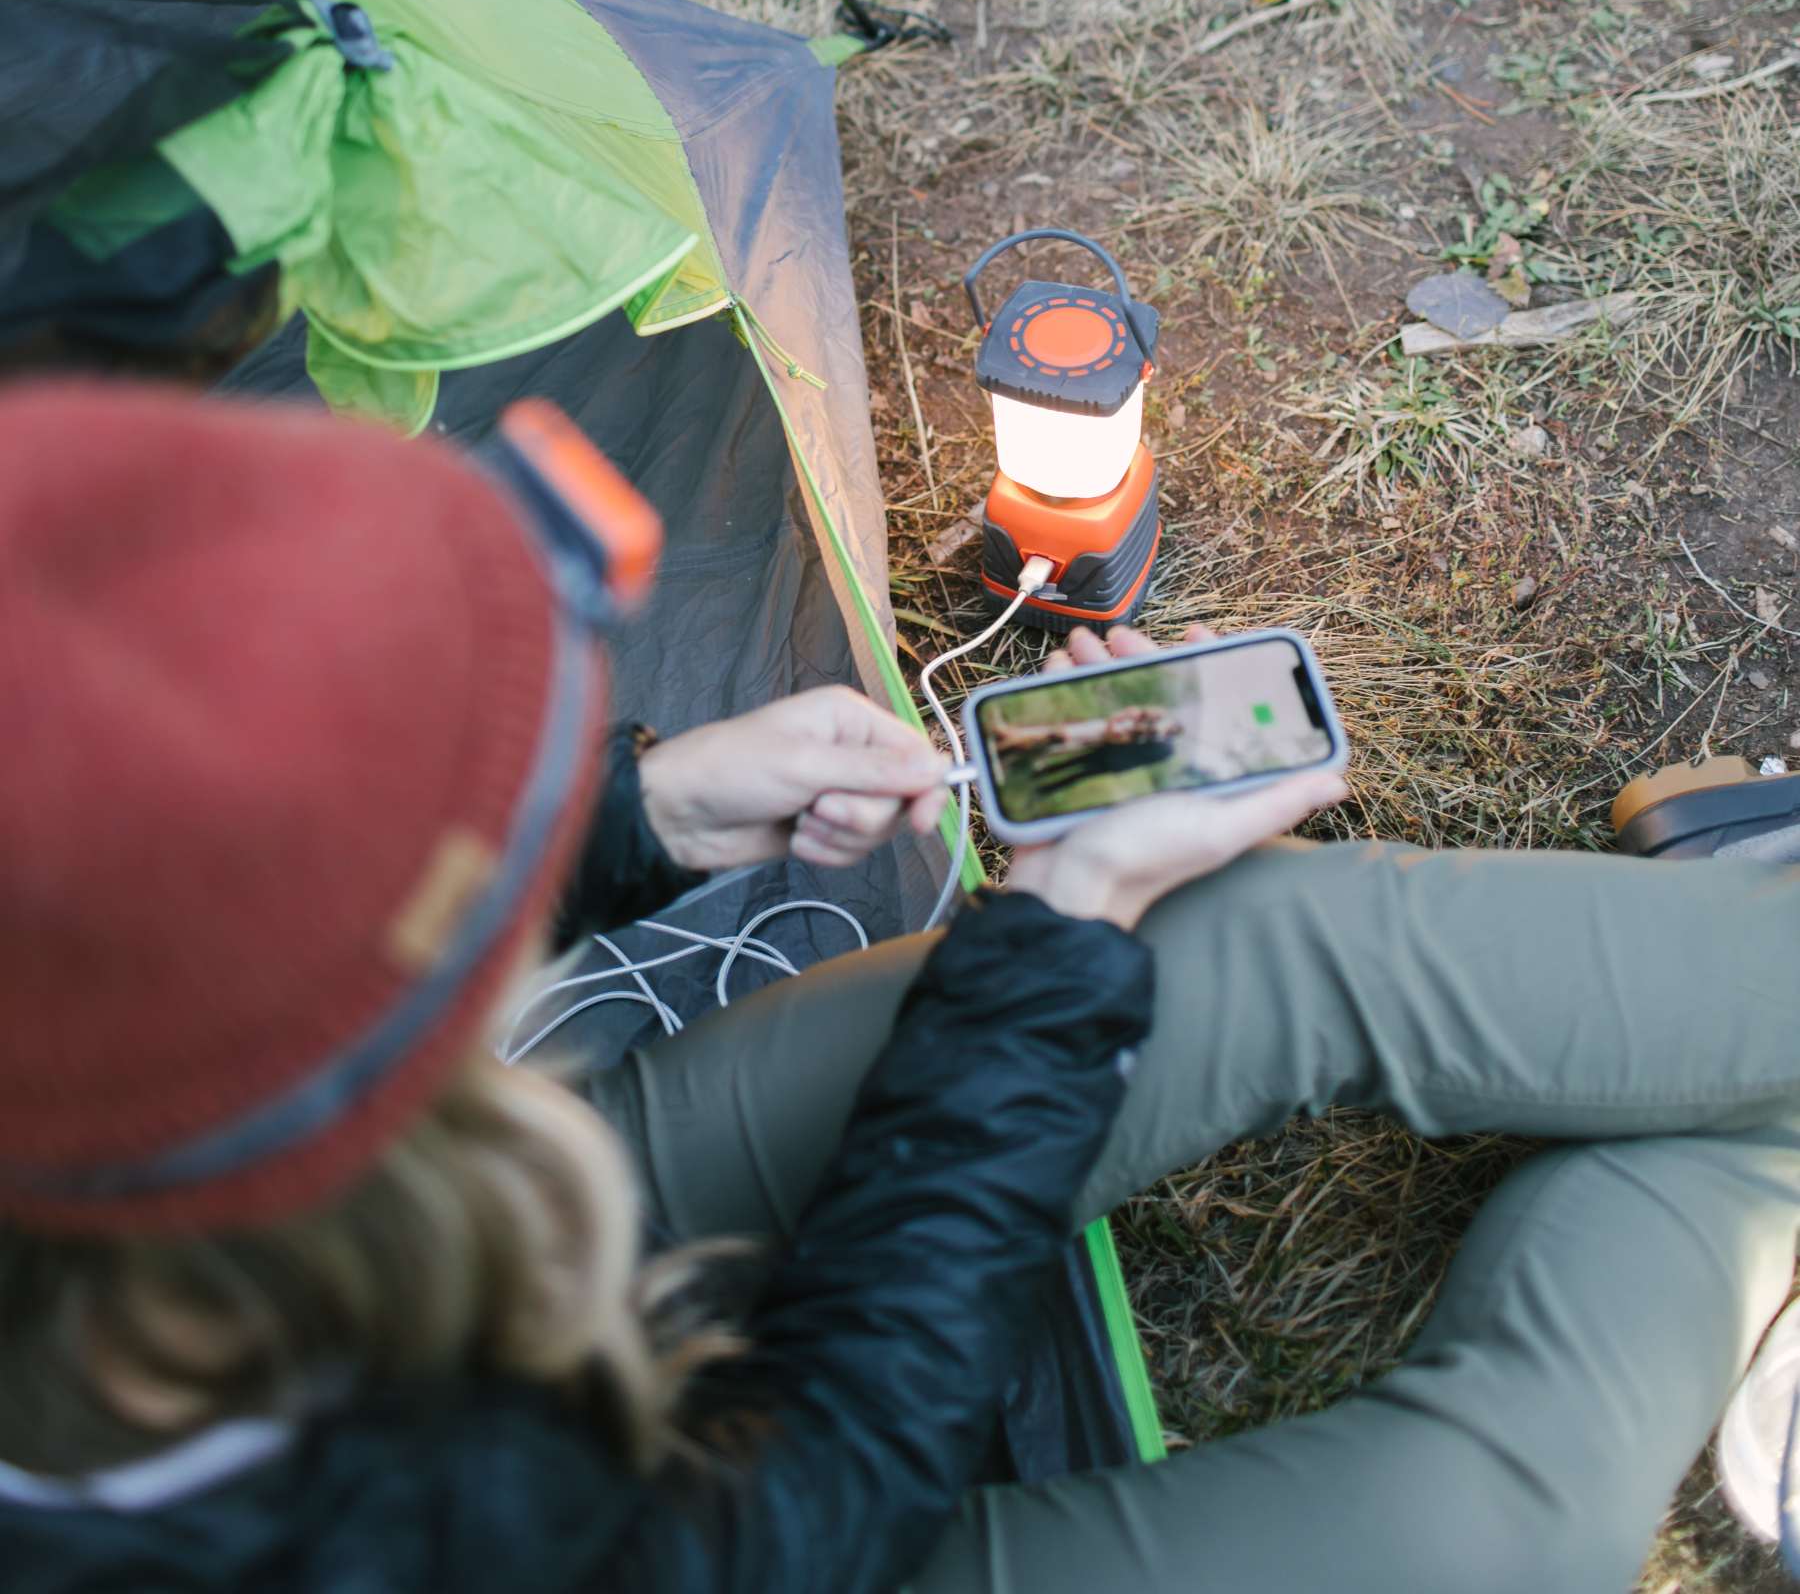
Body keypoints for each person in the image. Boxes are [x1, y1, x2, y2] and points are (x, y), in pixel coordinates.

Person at [1, 380, 1798, 1594]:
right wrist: (1062, 913)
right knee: (1483, 1524)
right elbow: (815, 1489)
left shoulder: (143, 1084)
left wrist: (636, 817)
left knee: (1250, 940)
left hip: (380, 1260)